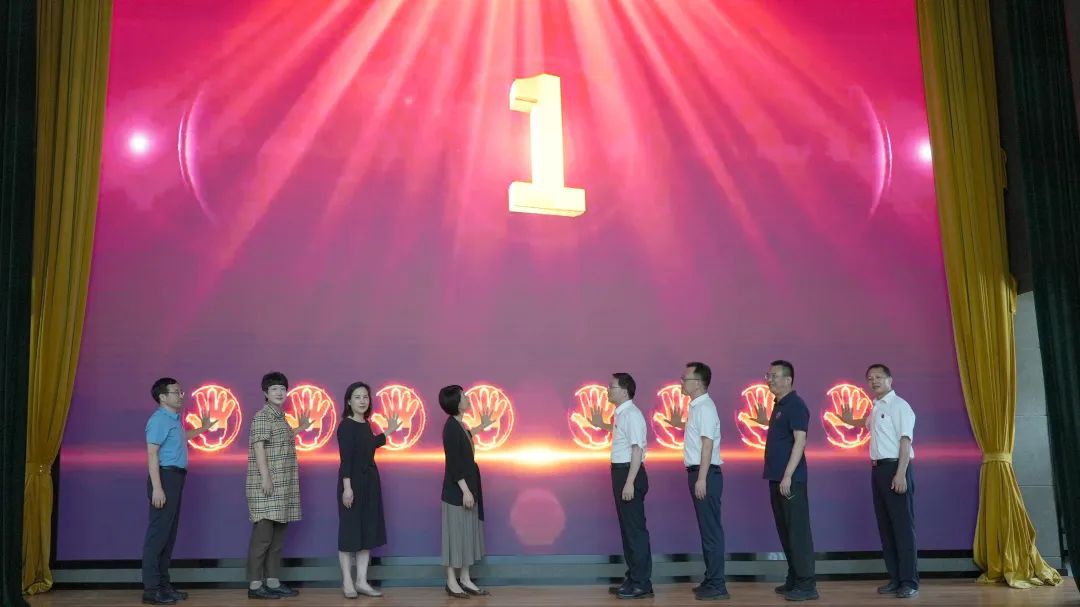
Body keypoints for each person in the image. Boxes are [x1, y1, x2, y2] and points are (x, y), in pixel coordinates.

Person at [842, 364, 919, 599]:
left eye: (878, 377)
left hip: (896, 468)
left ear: (890, 379)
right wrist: (849, 420)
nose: (874, 381)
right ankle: (895, 579)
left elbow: (905, 441)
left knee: (902, 529)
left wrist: (900, 474)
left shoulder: (900, 406)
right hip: (878, 471)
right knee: (886, 528)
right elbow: (866, 424)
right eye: (870, 378)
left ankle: (909, 582)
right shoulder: (876, 407)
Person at [141, 377, 216, 605]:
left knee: (169, 536)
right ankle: (151, 589)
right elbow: (152, 454)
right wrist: (157, 488)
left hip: (175, 478)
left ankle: (164, 585)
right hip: (164, 478)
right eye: (176, 392)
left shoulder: (174, 419)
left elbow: (182, 438)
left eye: (181, 391)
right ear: (163, 397)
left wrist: (204, 428)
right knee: (158, 536)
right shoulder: (158, 420)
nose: (181, 395)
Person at [245, 372, 314, 600]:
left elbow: (281, 441)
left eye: (283, 389)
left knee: (276, 541)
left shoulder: (281, 418)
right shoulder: (263, 416)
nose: (279, 392)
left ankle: (272, 581)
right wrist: (265, 477)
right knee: (263, 539)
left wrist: (300, 428)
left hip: (283, 487)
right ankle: (255, 585)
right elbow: (259, 447)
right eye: (274, 389)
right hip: (268, 487)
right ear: (265, 393)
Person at [667, 361, 730, 600]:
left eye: (685, 379)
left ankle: (718, 585)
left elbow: (707, 445)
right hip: (700, 473)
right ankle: (711, 578)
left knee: (711, 531)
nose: (682, 382)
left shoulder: (704, 408)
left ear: (699, 383)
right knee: (706, 530)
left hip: (706, 474)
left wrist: (702, 478)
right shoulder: (696, 407)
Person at [589, 372, 653, 599]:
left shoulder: (632, 415)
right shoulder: (622, 414)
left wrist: (629, 482)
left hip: (629, 473)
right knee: (627, 531)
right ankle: (633, 578)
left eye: (612, 387)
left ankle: (642, 583)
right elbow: (624, 437)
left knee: (635, 532)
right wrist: (602, 425)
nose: (608, 390)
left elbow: (637, 449)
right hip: (621, 473)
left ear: (624, 391)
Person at [758, 360, 818, 601]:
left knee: (798, 532)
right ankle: (794, 577)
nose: (769, 380)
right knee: (785, 531)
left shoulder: (796, 405)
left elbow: (800, 442)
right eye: (768, 375)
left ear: (788, 379)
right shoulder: (779, 405)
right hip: (776, 478)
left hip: (790, 480)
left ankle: (807, 584)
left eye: (774, 376)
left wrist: (788, 476)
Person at [336, 381, 401, 598]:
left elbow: (369, 446)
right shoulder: (346, 426)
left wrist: (388, 431)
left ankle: (362, 581)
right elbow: (346, 459)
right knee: (349, 534)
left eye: (365, 397)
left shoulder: (366, 424)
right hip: (352, 484)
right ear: (349, 401)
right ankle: (347, 582)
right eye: (357, 397)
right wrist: (347, 488)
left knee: (367, 533)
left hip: (370, 483)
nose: (362, 401)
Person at [439, 384, 494, 599]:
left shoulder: (458, 424)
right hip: (457, 492)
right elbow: (454, 463)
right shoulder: (451, 428)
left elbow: (466, 437)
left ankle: (465, 578)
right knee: (455, 536)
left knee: (467, 534)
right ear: (456, 402)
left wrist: (482, 426)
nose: (467, 398)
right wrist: (466, 491)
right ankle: (451, 582)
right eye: (464, 396)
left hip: (468, 487)